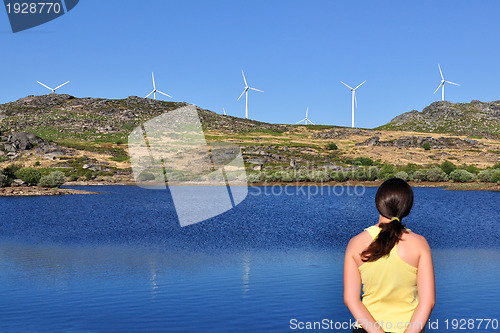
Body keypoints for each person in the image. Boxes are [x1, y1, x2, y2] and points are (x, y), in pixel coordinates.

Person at [344, 178, 435, 333]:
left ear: (378, 203)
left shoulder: (355, 243)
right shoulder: (420, 244)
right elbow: (428, 302)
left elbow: (351, 300)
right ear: (407, 208)